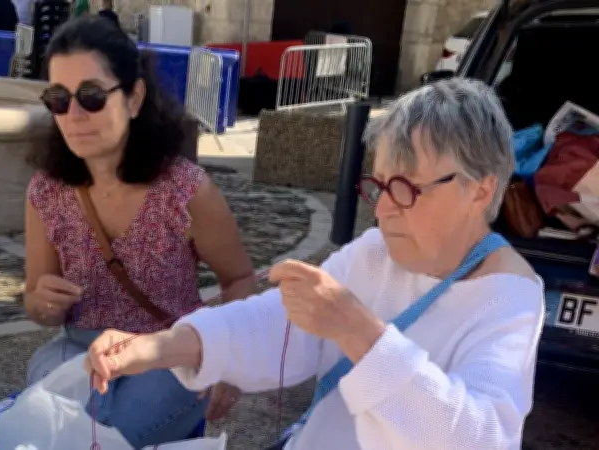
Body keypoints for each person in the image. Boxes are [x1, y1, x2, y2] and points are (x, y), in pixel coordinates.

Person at [84, 78, 546, 449]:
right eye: (380, 186)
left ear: (480, 191)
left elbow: (481, 436)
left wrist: (358, 330)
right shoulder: (375, 251)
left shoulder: (511, 297)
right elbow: (276, 321)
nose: (383, 210)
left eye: (407, 189)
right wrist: (160, 347)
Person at [24, 15, 256, 449]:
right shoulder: (46, 191)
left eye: (91, 96)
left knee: (88, 430)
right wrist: (42, 302)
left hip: (167, 356)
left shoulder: (184, 190)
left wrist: (231, 362)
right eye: (58, 98)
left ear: (134, 98)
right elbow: (36, 302)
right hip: (81, 350)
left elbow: (239, 279)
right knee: (46, 390)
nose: (73, 115)